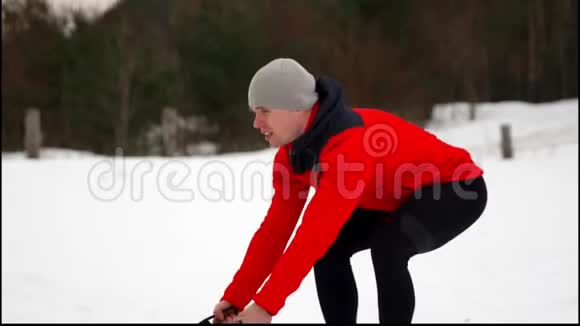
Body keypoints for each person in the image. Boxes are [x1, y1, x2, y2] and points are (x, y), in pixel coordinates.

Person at [211, 58, 488, 324]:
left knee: (387, 246)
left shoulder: (348, 145)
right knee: (330, 250)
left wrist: (265, 306)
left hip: (456, 188)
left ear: (296, 107)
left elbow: (313, 234)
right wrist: (236, 298)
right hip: (393, 198)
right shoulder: (291, 155)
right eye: (254, 113)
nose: (256, 123)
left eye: (264, 111)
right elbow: (275, 230)